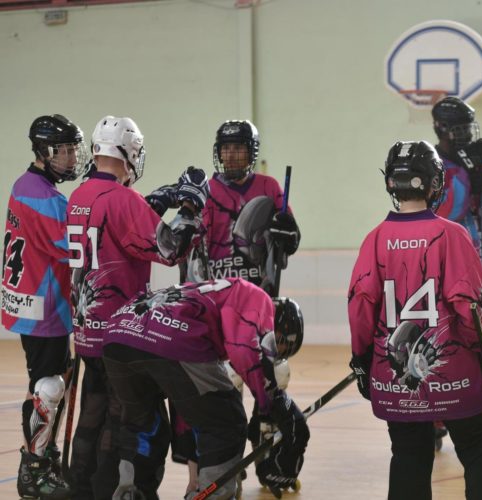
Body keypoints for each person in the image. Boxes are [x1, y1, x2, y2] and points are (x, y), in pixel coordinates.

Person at [348, 140, 482, 500]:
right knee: (480, 446)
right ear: (434, 183)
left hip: (396, 382)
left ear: (391, 183)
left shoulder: (374, 239)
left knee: (408, 455)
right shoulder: (452, 235)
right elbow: (469, 307)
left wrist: (361, 360)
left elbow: (360, 305)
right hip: (455, 377)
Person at [66, 116, 209, 499]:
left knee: (91, 417)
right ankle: (111, 492)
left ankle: (80, 489)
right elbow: (169, 248)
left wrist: (154, 203)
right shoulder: (124, 200)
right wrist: (190, 205)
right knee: (130, 422)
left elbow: (116, 232)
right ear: (130, 153)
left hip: (85, 327)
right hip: (119, 335)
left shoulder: (79, 196)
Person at [100, 278, 307, 499]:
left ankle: (130, 492)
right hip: (170, 338)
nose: (276, 351)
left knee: (144, 426)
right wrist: (276, 403)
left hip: (118, 334)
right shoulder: (257, 298)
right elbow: (247, 351)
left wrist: (265, 407)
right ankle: (212, 496)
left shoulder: (207, 289)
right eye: (280, 344)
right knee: (225, 422)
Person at [4, 115, 88, 499]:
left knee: (48, 381)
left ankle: (42, 455)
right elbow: (73, 248)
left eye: (74, 149)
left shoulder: (27, 185)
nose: (72, 158)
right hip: (43, 306)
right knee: (48, 387)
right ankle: (34, 470)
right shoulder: (44, 196)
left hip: (33, 303)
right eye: (64, 151)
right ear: (43, 152)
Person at [174, 120, 300, 293]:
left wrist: (289, 234)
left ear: (251, 152)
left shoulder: (269, 187)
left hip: (259, 290)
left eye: (238, 148)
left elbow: (289, 241)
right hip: (215, 291)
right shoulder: (205, 190)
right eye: (226, 148)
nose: (231, 155)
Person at [431, 97, 482, 327]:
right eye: (459, 128)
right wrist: (467, 176)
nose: (466, 133)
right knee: (452, 324)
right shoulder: (432, 165)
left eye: (468, 127)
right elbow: (442, 212)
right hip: (448, 256)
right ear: (441, 129)